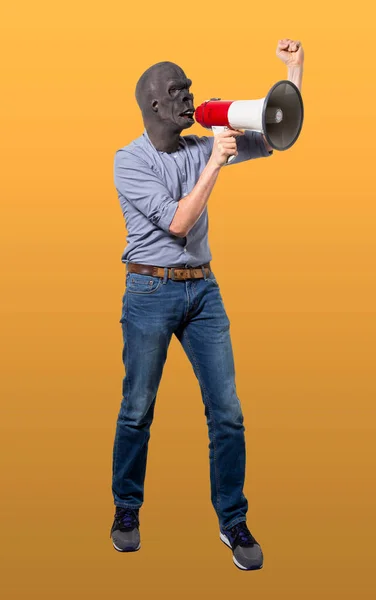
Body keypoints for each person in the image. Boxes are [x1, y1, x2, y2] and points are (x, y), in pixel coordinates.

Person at [110, 39, 304, 570]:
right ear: (154, 105)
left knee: (228, 413)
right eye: (178, 91)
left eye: (190, 88)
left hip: (204, 292)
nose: (189, 97)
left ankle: (233, 520)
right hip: (149, 292)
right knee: (137, 408)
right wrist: (215, 161)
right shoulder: (128, 161)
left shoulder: (201, 143)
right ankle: (127, 509)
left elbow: (278, 133)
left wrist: (294, 71)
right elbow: (177, 222)